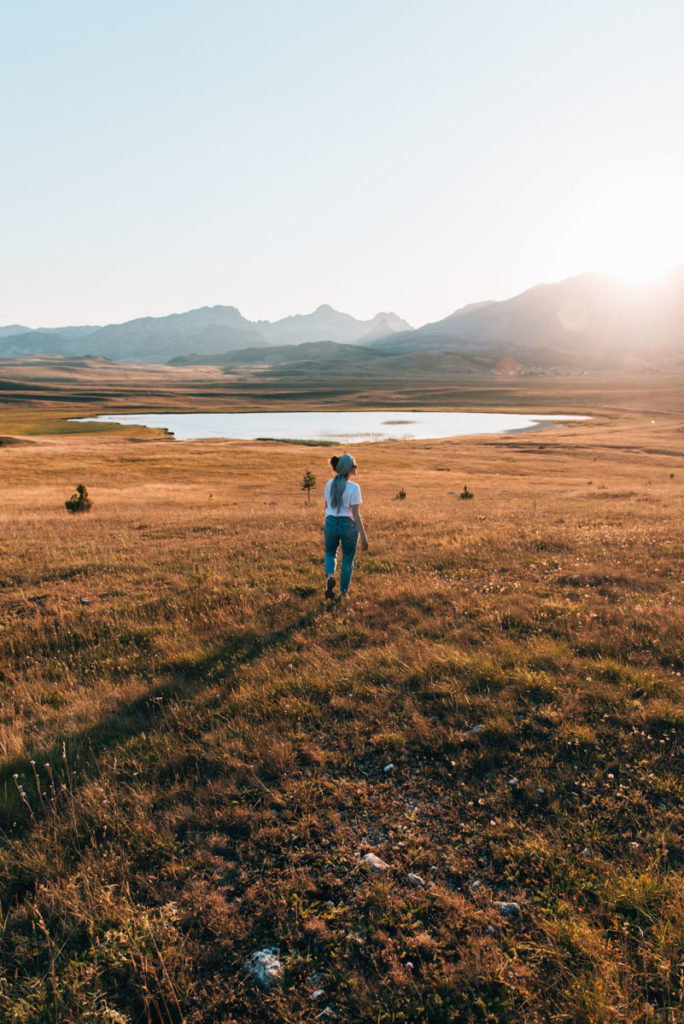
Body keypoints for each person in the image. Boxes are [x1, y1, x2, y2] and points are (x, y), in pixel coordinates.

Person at [323, 453, 369, 600]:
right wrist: (364, 537)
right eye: (354, 465)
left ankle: (330, 577)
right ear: (348, 468)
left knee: (330, 553)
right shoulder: (354, 488)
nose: (356, 467)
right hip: (348, 526)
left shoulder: (329, 484)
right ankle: (343, 593)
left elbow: (326, 507)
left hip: (330, 523)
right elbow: (355, 514)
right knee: (348, 559)